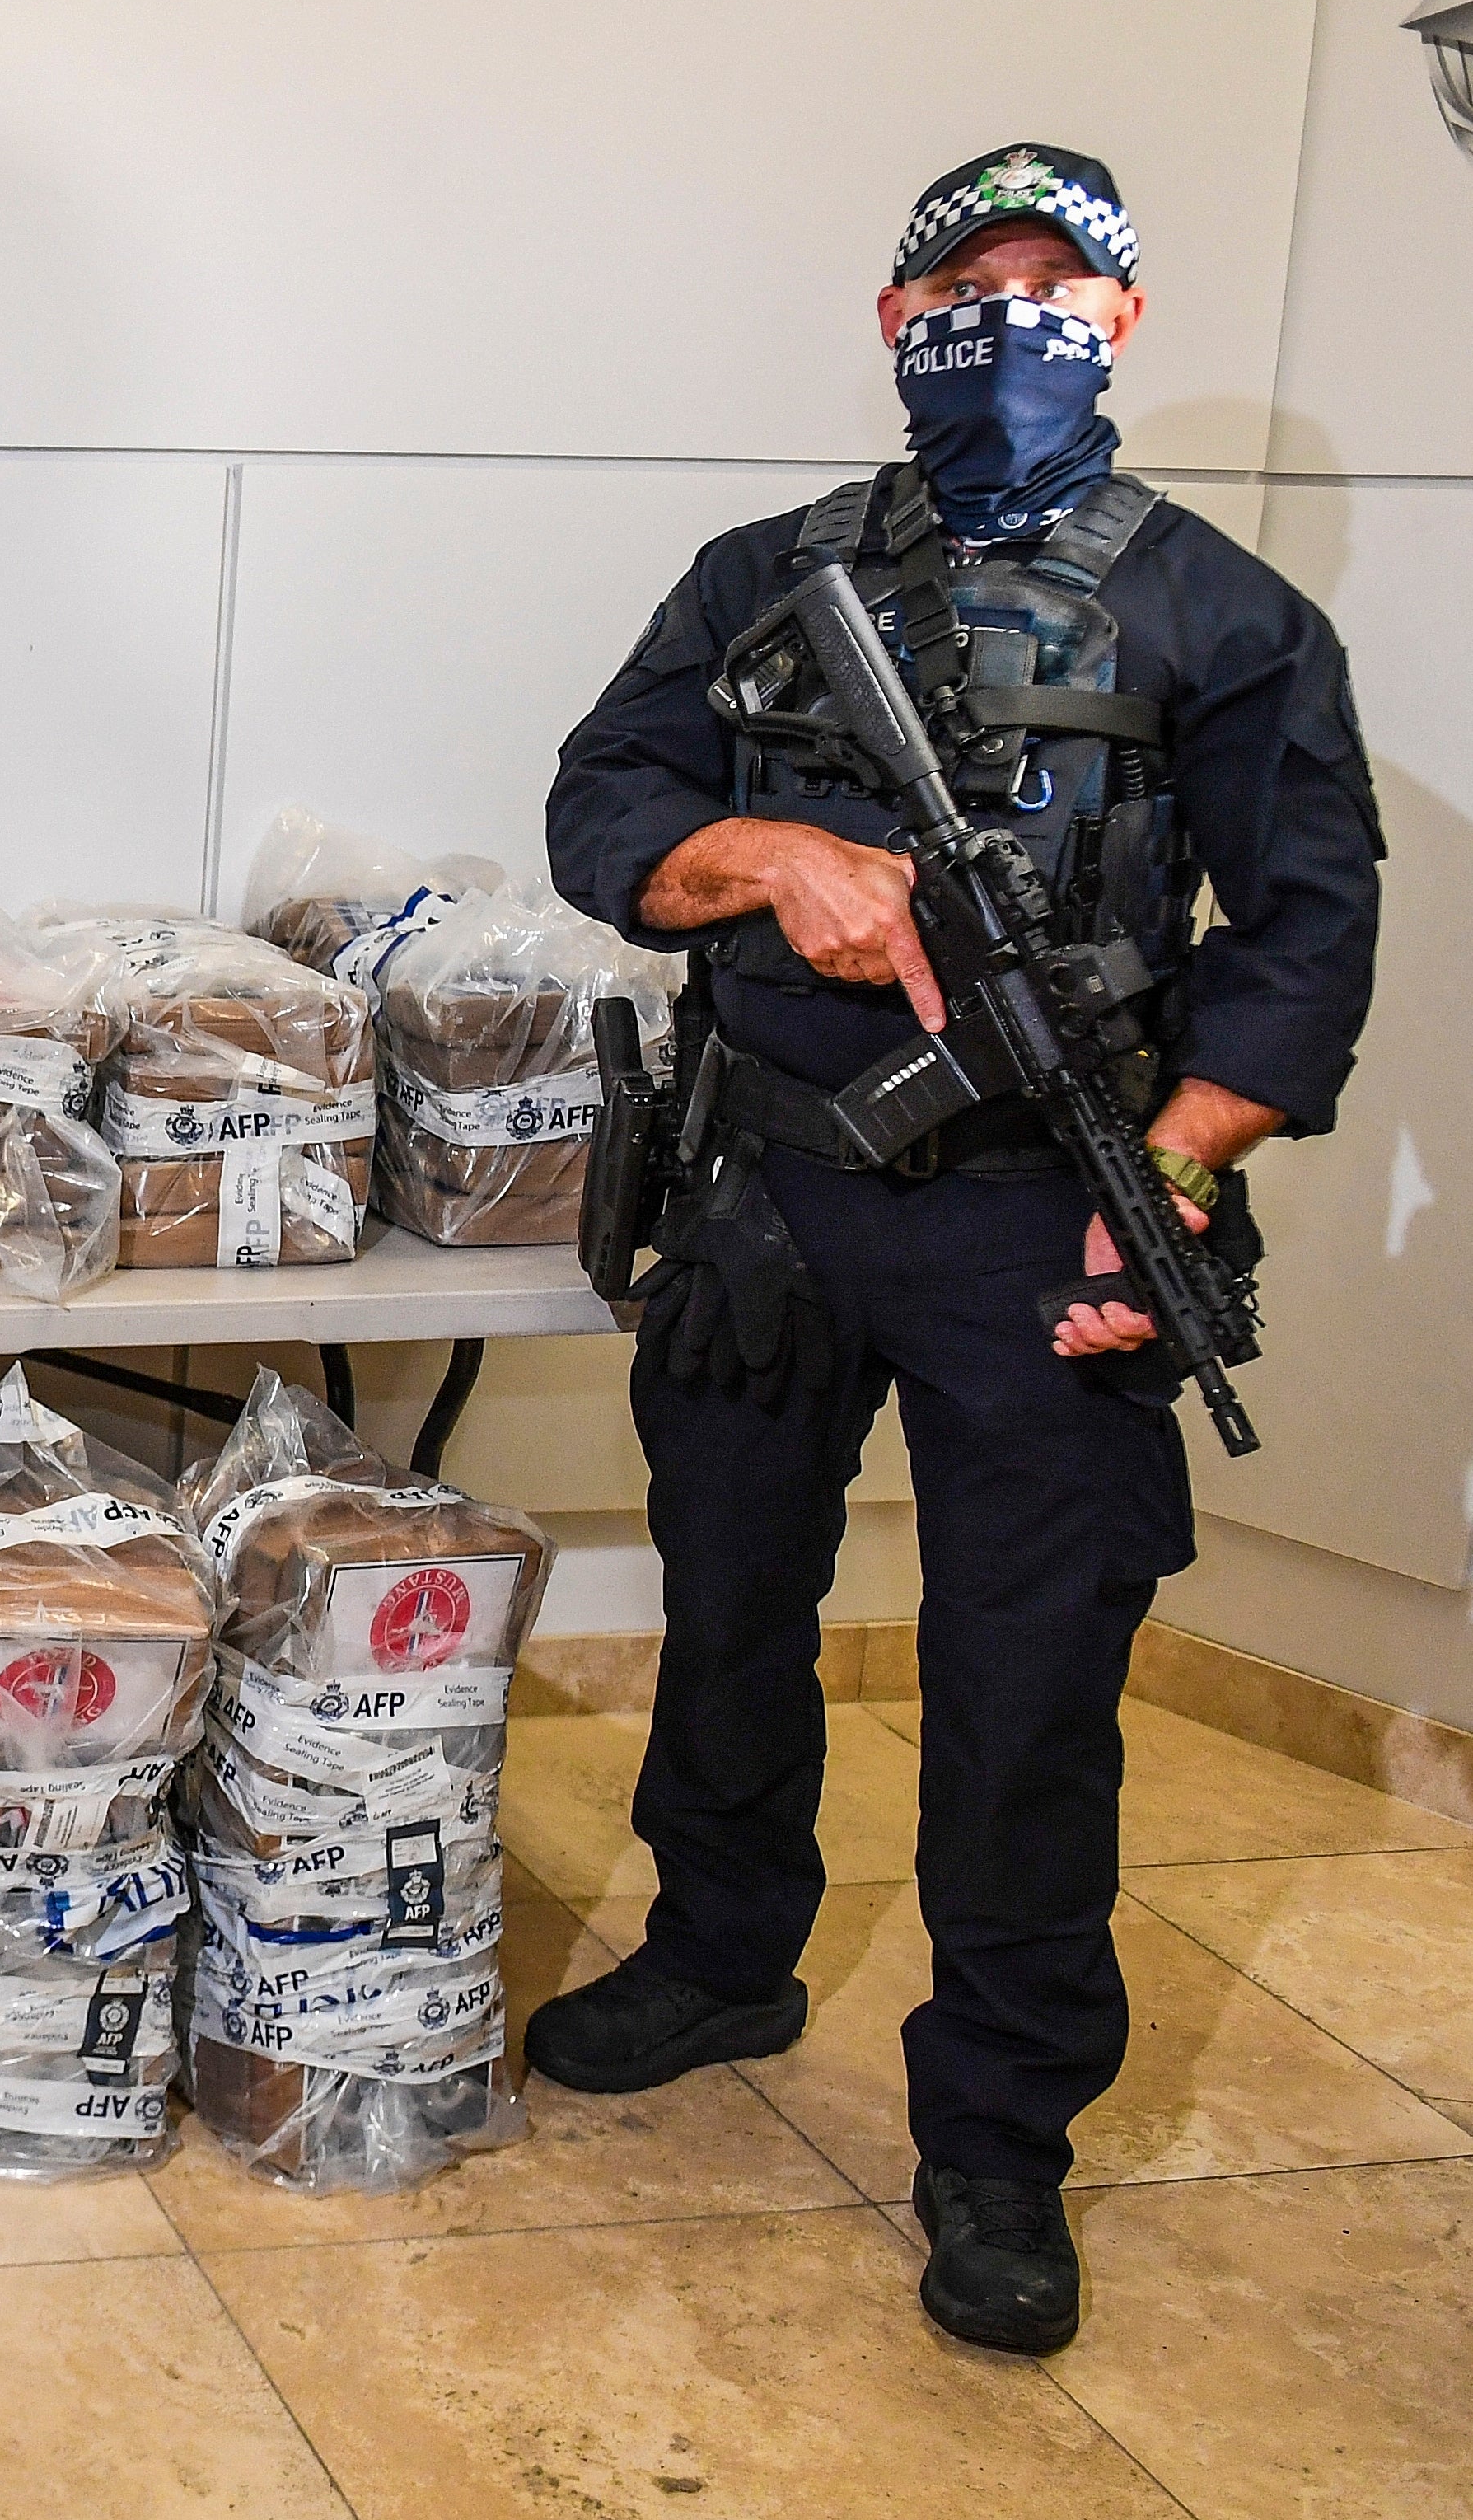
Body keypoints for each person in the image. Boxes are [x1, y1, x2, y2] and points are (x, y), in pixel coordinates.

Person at [536, 146, 1382, 2354]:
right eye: (960, 293)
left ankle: (1000, 2136)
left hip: (1051, 1213)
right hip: (764, 1190)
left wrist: (1170, 1169)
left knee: (1026, 1693)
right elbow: (603, 812)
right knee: (732, 1603)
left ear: (1124, 326)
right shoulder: (765, 576)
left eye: (1055, 294)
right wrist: (763, 854)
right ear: (893, 318)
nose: (1005, 330)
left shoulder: (1221, 612)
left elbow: (1307, 939)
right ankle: (722, 1957)